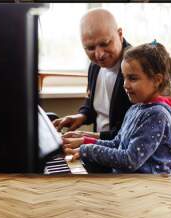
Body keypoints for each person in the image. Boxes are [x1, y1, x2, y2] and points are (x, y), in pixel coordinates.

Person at [64, 42, 171, 174]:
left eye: (133, 78)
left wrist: (88, 150)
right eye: (124, 77)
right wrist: (84, 144)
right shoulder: (134, 109)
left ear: (156, 80)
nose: (125, 84)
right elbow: (117, 143)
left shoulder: (157, 115)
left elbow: (130, 160)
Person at [53, 8, 132, 142]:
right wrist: (82, 116)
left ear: (120, 34)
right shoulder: (95, 65)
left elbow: (130, 133)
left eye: (104, 43)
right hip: (101, 149)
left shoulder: (137, 69)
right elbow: (92, 105)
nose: (99, 54)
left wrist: (88, 138)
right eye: (90, 48)